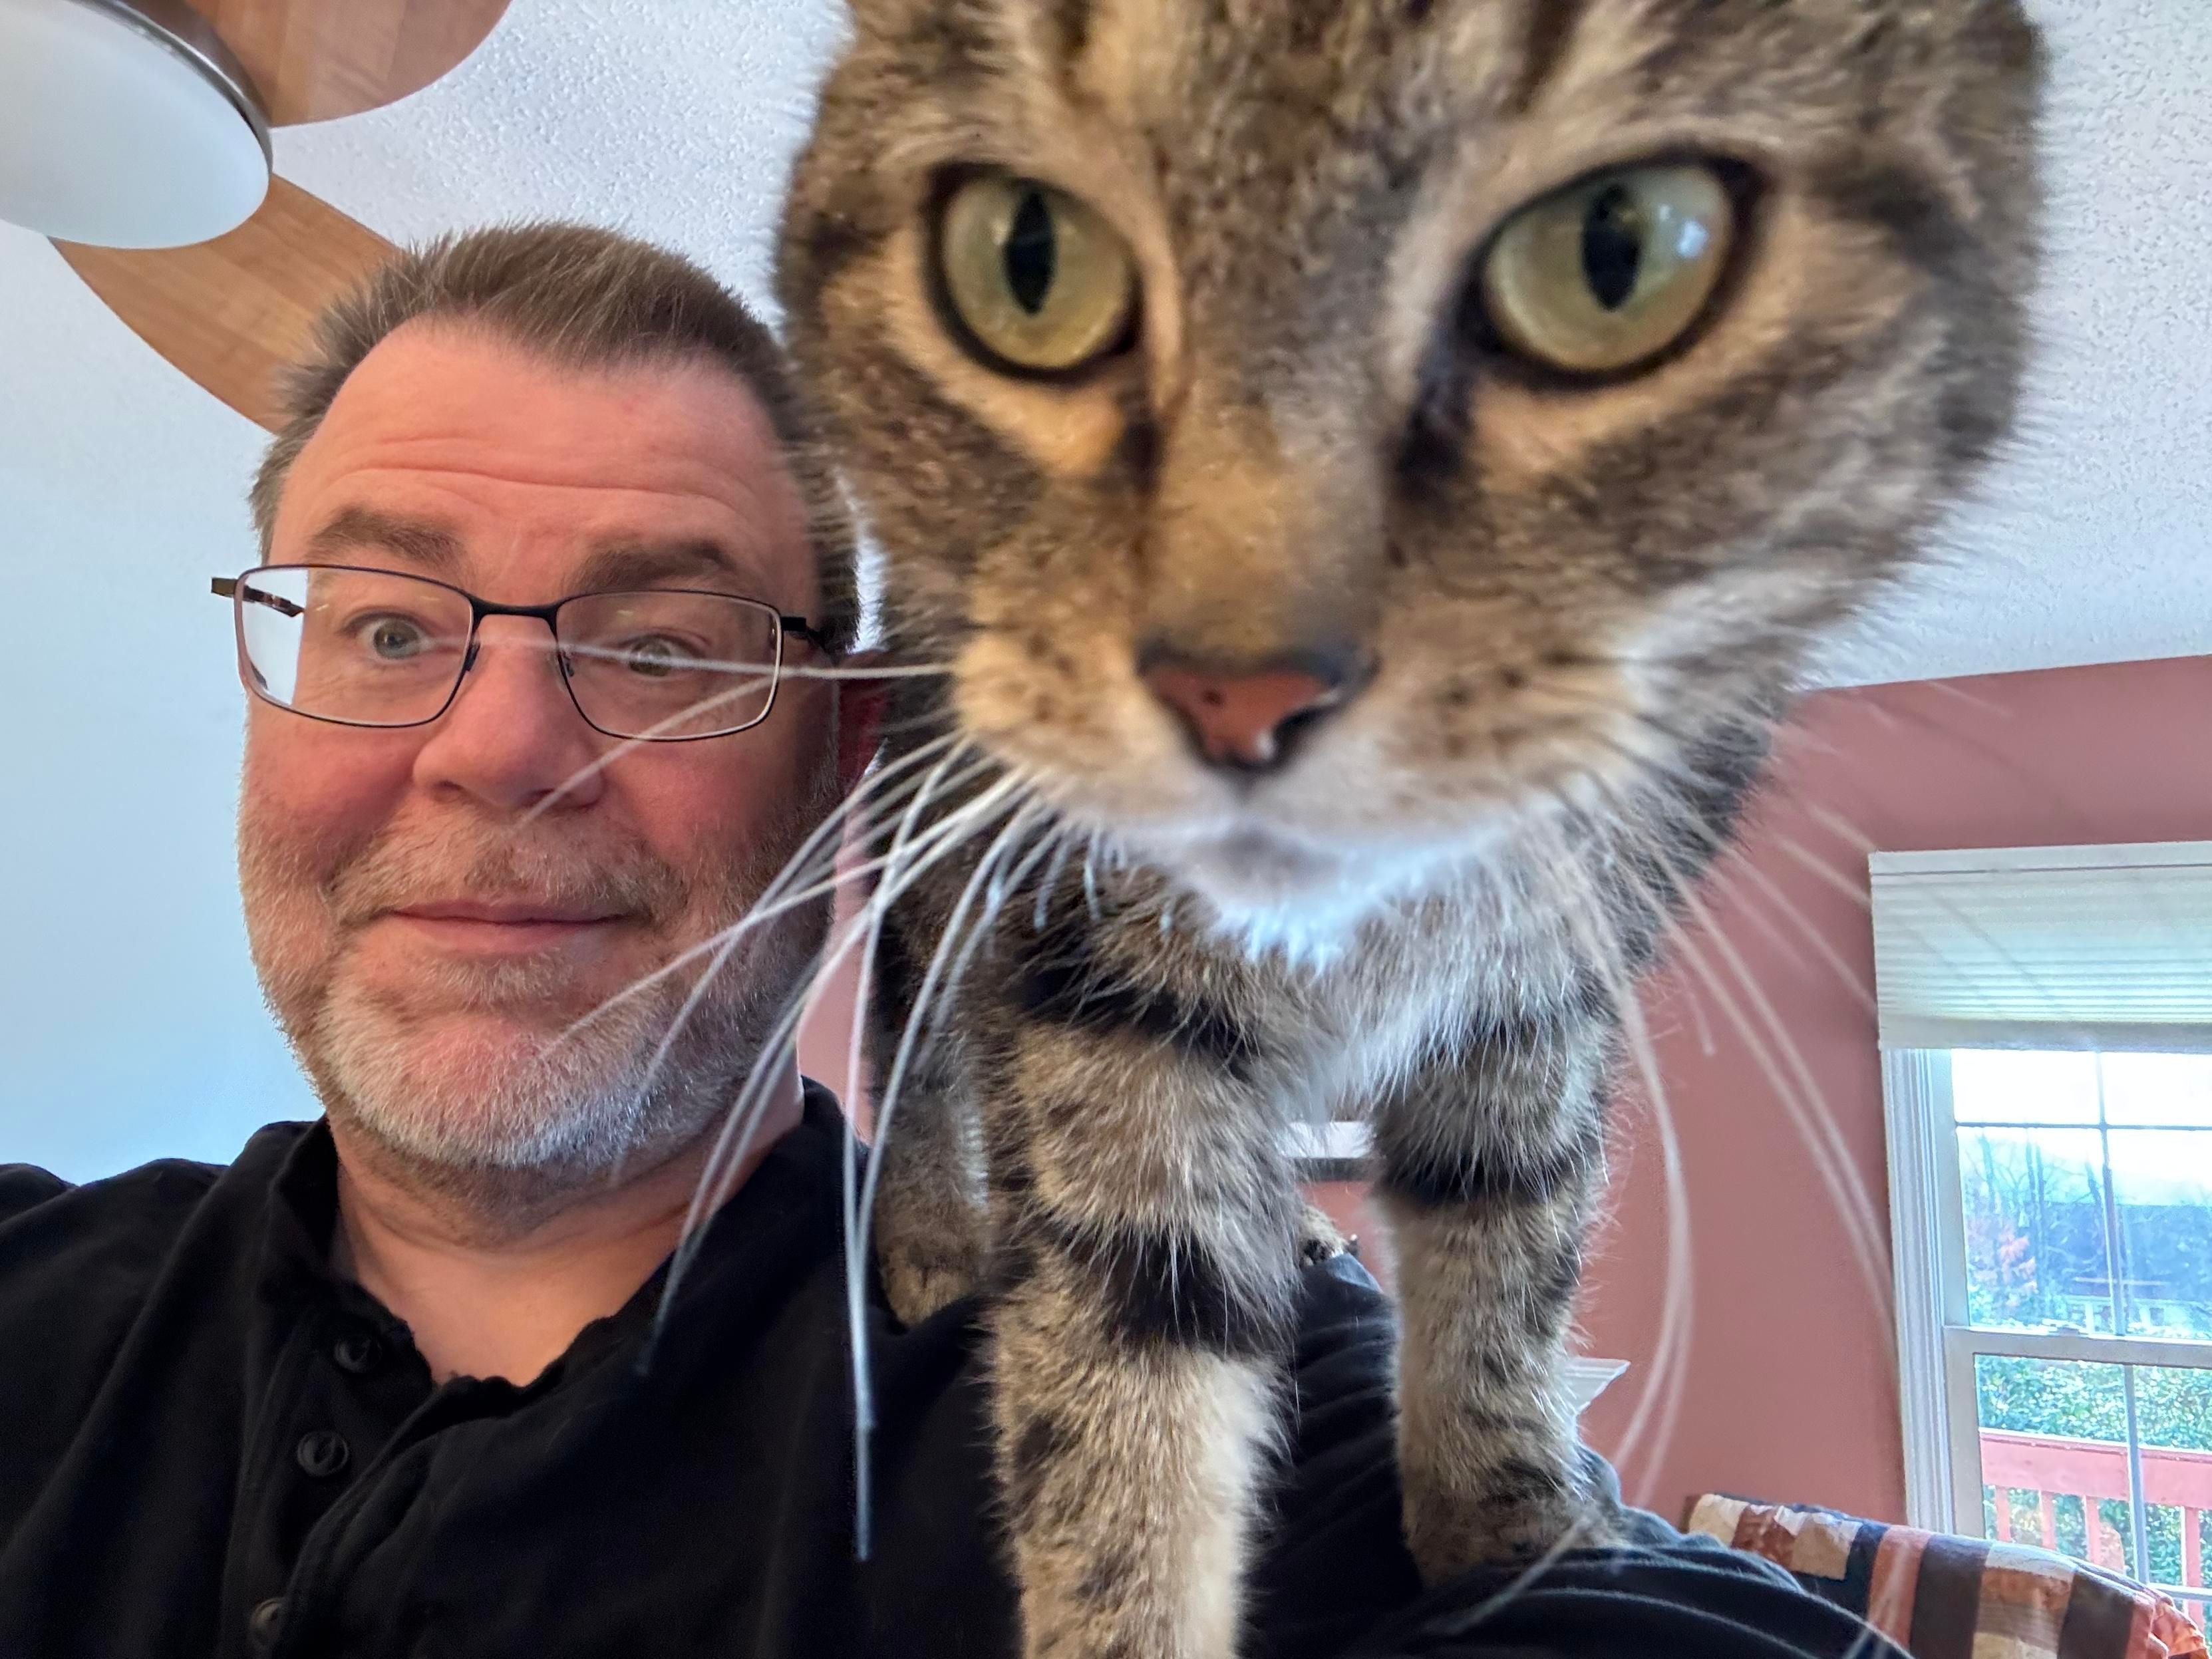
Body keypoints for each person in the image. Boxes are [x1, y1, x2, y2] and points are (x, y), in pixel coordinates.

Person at [0, 222, 1901, 1659]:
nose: (499, 747)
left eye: (662, 647)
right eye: (389, 628)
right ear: (270, 696)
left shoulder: (1230, 1412)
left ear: (850, 758)